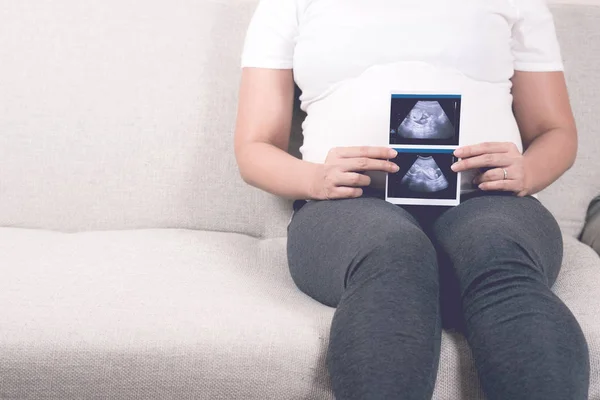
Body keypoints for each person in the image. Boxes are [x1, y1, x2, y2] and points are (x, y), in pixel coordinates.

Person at [233, 0, 590, 399]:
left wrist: (527, 171)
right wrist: (316, 178)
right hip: (349, 205)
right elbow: (254, 148)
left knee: (497, 252)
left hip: (486, 199)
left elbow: (555, 131)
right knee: (393, 255)